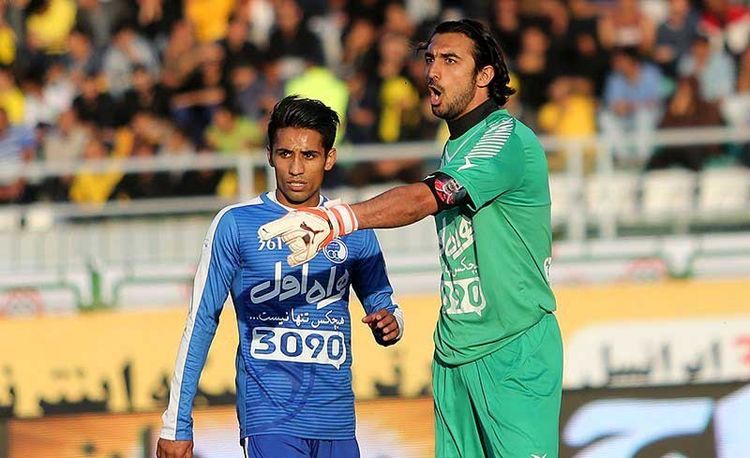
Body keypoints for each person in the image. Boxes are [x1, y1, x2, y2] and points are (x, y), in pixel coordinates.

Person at [260, 19, 562, 458]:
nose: (432, 71)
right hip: (455, 353)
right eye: (430, 59)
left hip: (512, 348)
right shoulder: (456, 145)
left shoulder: (505, 137)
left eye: (450, 60)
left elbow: (428, 197)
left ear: (485, 75)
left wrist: (337, 218)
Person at [156, 95, 404, 458]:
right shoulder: (236, 224)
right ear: (270, 155)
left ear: (329, 158)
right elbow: (201, 320)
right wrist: (176, 424)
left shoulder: (352, 226)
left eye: (309, 155)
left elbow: (384, 304)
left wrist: (391, 324)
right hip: (269, 420)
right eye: (286, 154)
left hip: (337, 422)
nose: (296, 168)